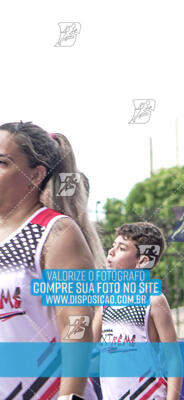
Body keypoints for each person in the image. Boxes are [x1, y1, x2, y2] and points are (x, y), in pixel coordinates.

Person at [0, 121, 100, 399]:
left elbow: (76, 324)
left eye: (2, 162)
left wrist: (70, 396)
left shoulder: (56, 232)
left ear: (35, 175)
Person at [94, 222, 182, 400]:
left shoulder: (153, 300)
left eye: (122, 248)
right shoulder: (104, 301)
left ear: (142, 261)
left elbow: (174, 359)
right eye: (113, 246)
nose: (111, 252)